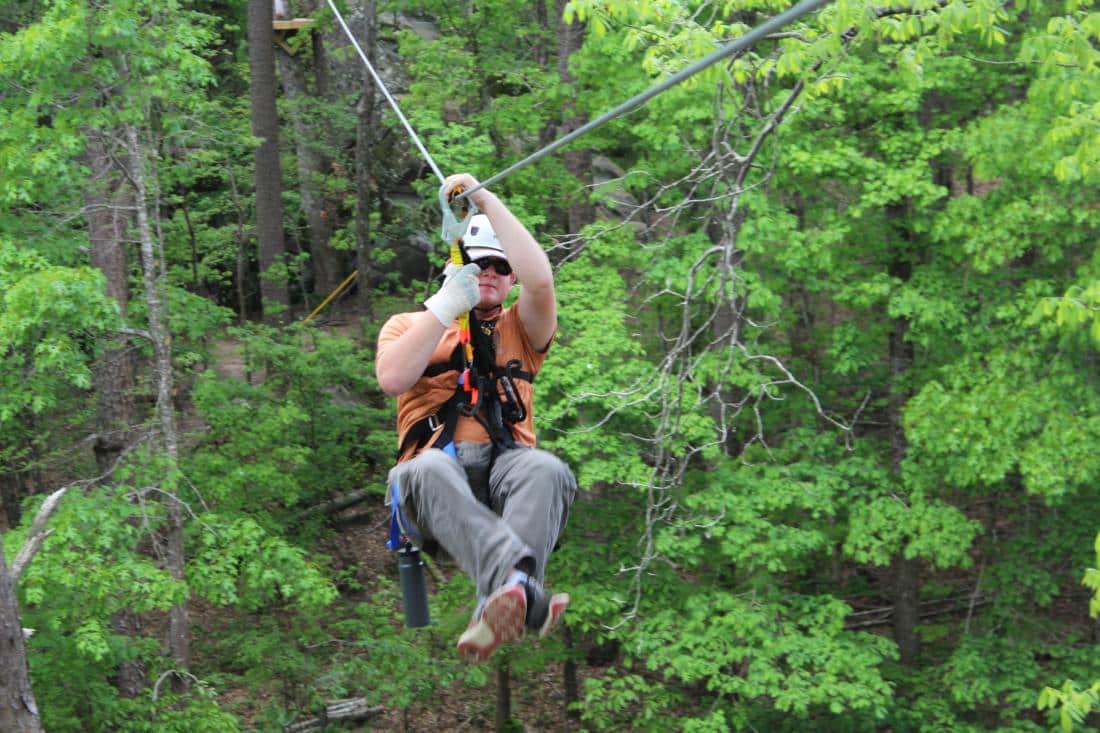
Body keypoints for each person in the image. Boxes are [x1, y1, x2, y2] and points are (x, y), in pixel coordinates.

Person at [376, 172, 577, 663]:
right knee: (426, 467)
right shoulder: (409, 325)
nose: (488, 272)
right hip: (433, 489)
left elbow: (543, 279)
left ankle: (505, 594)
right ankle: (518, 584)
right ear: (455, 264)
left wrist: (484, 198)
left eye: (498, 266)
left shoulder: (521, 331)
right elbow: (394, 378)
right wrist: (446, 306)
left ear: (510, 280)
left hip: (504, 477)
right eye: (477, 262)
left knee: (548, 468)